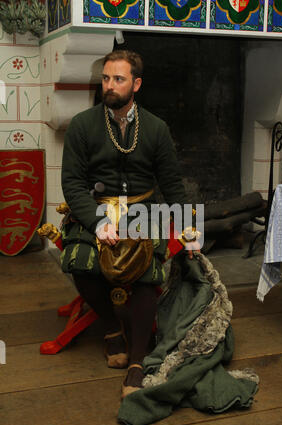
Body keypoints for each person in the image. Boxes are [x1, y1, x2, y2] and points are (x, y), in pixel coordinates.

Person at [61, 50, 200, 399]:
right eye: (106, 78)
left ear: (136, 84)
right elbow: (73, 183)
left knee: (145, 275)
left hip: (142, 211)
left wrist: (188, 227)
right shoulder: (82, 124)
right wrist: (96, 222)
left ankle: (138, 361)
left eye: (118, 79)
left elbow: (171, 183)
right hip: (96, 211)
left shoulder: (156, 127)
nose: (109, 85)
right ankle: (111, 328)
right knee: (79, 263)